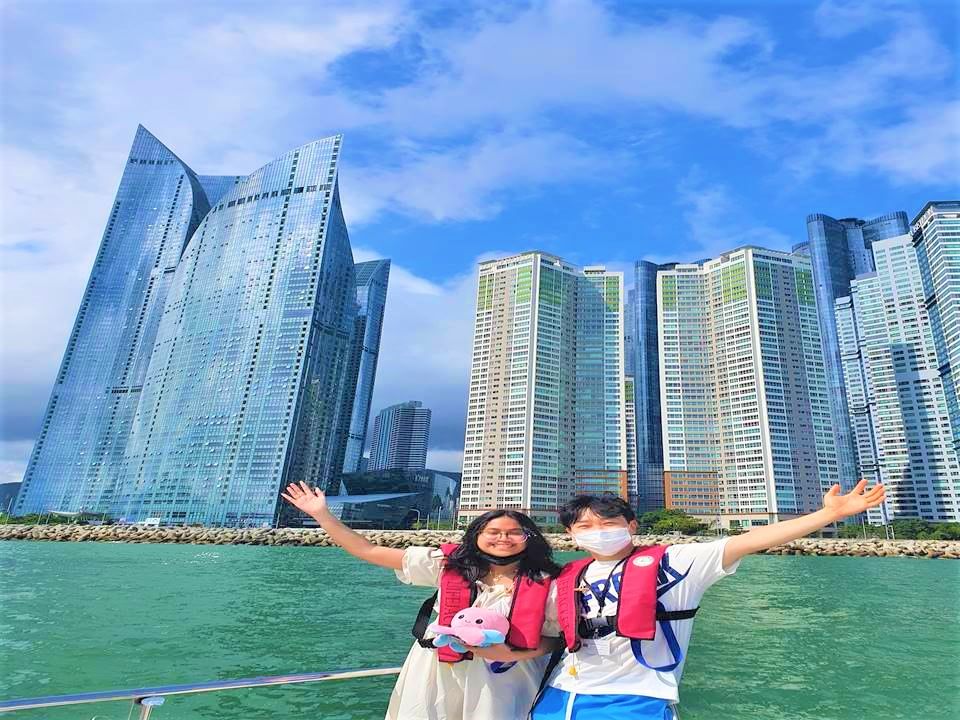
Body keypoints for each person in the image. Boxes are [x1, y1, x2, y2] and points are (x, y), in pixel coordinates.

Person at [532, 480, 886, 719]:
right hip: (559, 694)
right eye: (585, 526)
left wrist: (829, 515)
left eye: (608, 522)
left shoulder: (678, 561)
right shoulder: (567, 576)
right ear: (571, 534)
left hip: (636, 698)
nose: (599, 532)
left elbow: (749, 540)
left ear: (632, 525)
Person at [281, 481, 562, 720]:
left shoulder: (547, 582)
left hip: (507, 677)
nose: (504, 538)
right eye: (493, 532)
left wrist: (513, 653)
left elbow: (555, 639)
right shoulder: (446, 565)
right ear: (476, 536)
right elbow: (367, 550)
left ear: (529, 538)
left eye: (514, 532)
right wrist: (322, 515)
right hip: (437, 670)